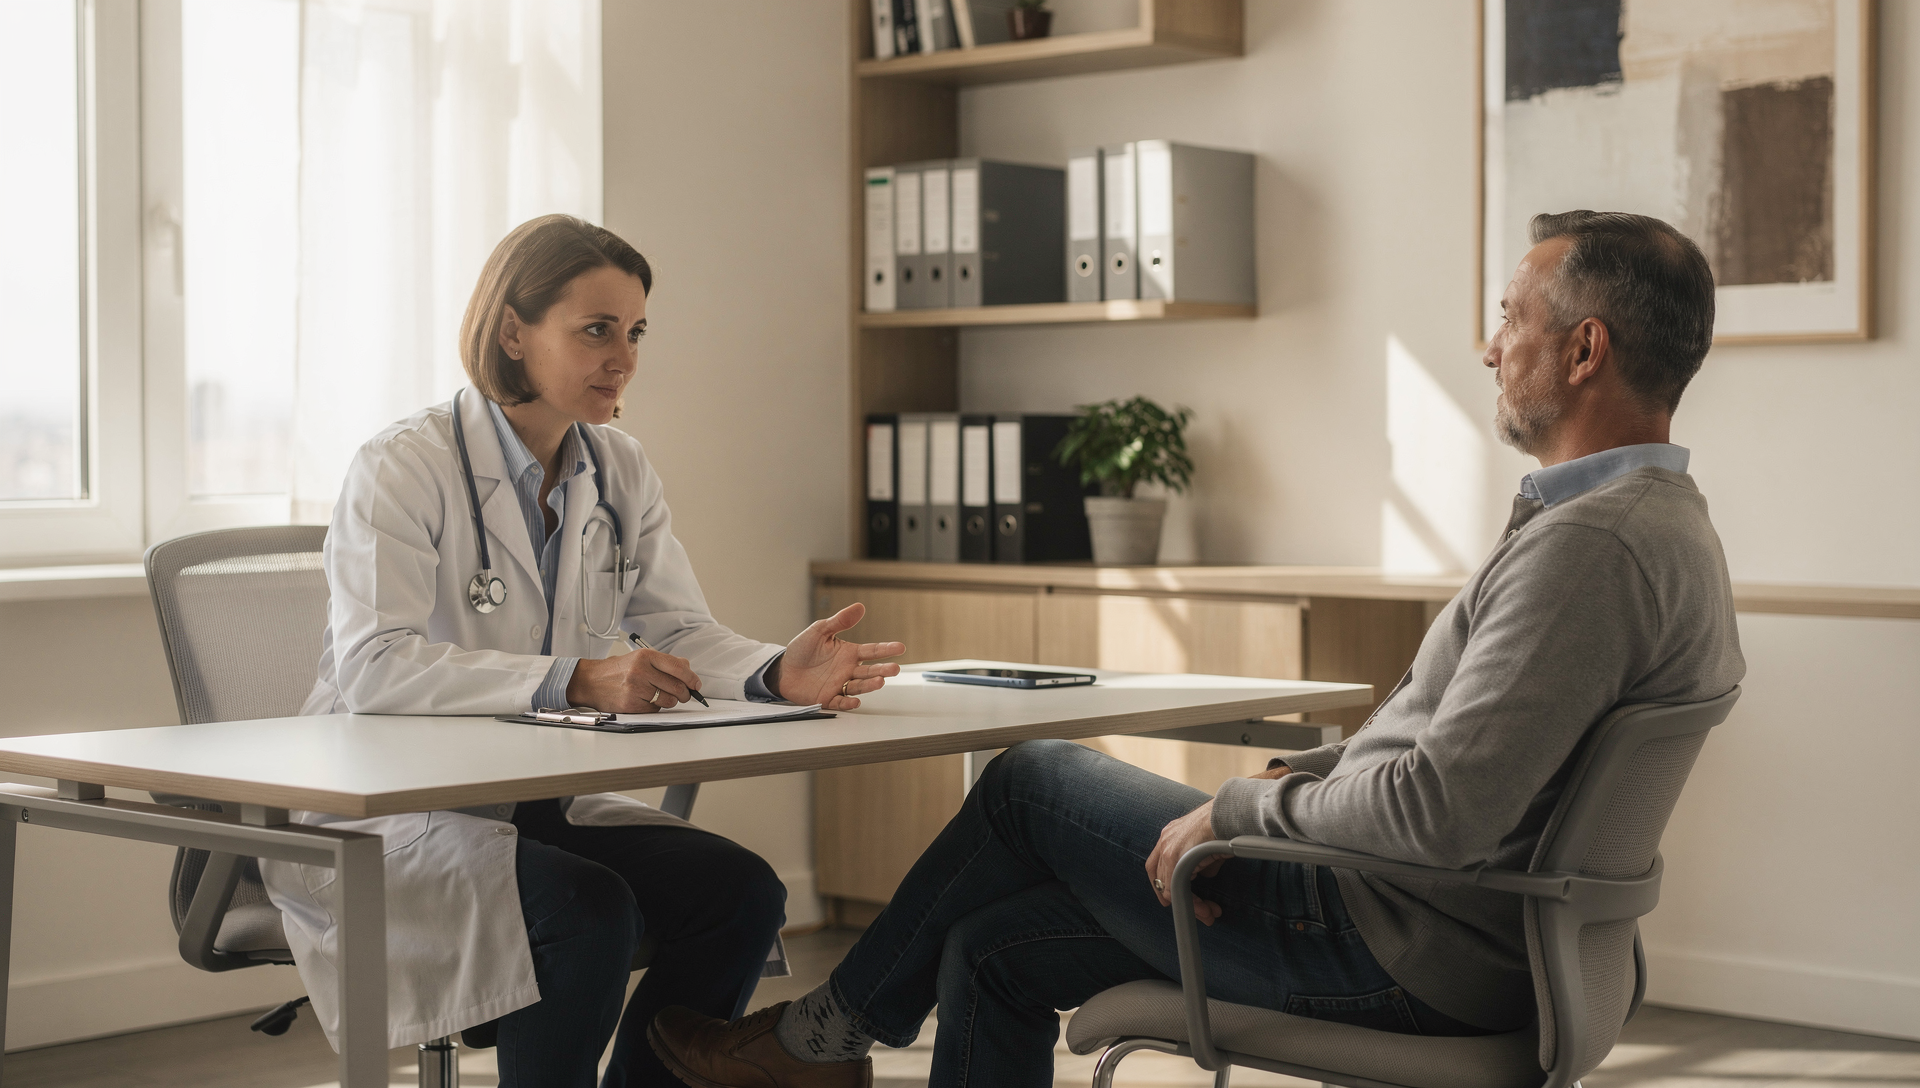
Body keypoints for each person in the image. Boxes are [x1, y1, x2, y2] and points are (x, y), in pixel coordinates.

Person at [647, 210, 1747, 1088]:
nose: (1489, 343)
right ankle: (823, 1041)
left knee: (1030, 777)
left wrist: (1238, 814)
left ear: (1585, 346)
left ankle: (818, 1038)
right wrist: (1303, 776)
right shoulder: (1660, 525)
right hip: (1444, 928)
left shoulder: (1588, 551)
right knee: (989, 941)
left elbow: (1436, 813)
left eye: (1511, 316)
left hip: (1388, 941)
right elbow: (1456, 758)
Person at [259, 214, 906, 1088]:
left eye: (635, 331)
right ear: (512, 332)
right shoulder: (403, 466)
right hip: (388, 816)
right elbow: (376, 665)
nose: (625, 356)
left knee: (742, 894)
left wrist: (771, 671)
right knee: (588, 910)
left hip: (528, 800)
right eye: (596, 329)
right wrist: (574, 676)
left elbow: (676, 628)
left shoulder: (618, 469)